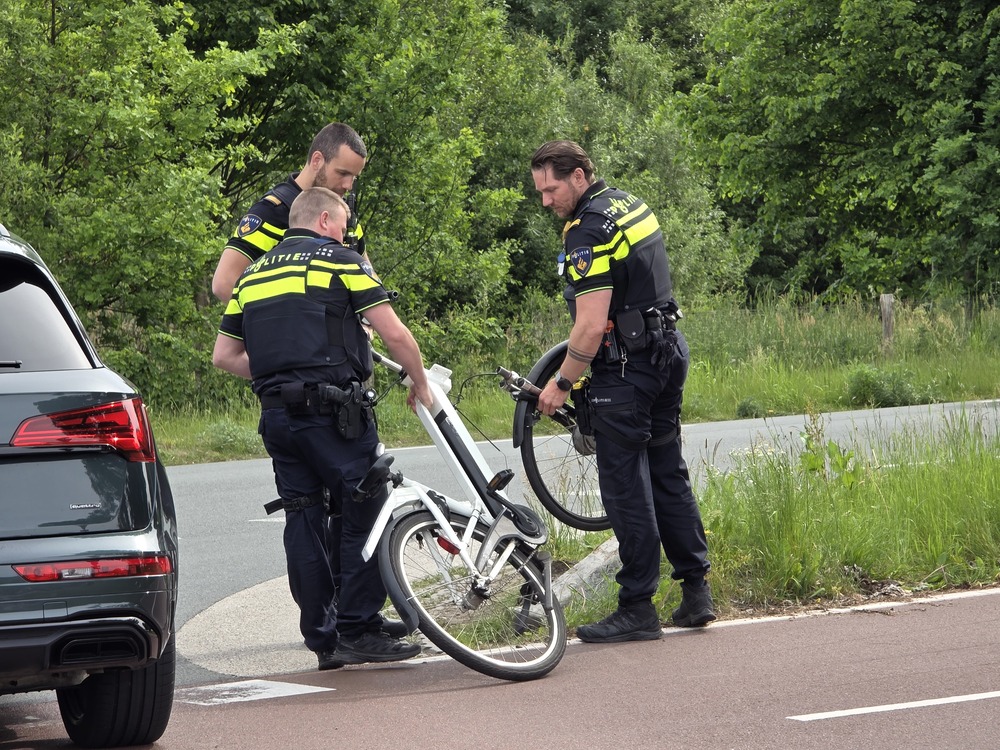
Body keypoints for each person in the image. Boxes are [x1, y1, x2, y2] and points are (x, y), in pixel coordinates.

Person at [212, 187, 432, 670]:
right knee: (367, 508)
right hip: (335, 417)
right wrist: (420, 382)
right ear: (326, 220)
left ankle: (322, 639)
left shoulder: (253, 276)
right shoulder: (342, 261)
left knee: (303, 520)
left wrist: (279, 379)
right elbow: (393, 333)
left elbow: (224, 356)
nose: (347, 233)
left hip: (278, 419)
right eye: (344, 223)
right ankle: (359, 628)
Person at [529, 140, 715, 643]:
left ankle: (637, 606)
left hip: (627, 370)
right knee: (666, 472)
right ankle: (696, 592)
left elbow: (590, 326)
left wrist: (562, 383)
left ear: (579, 175)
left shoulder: (587, 230)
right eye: (540, 191)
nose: (546, 201)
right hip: (666, 352)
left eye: (551, 189)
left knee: (626, 489)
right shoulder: (628, 203)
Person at [212, 122, 370, 303]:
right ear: (317, 160)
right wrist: (276, 318)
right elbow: (224, 283)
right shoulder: (272, 212)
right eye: (342, 173)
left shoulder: (346, 216)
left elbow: (370, 286)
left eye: (354, 177)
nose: (348, 185)